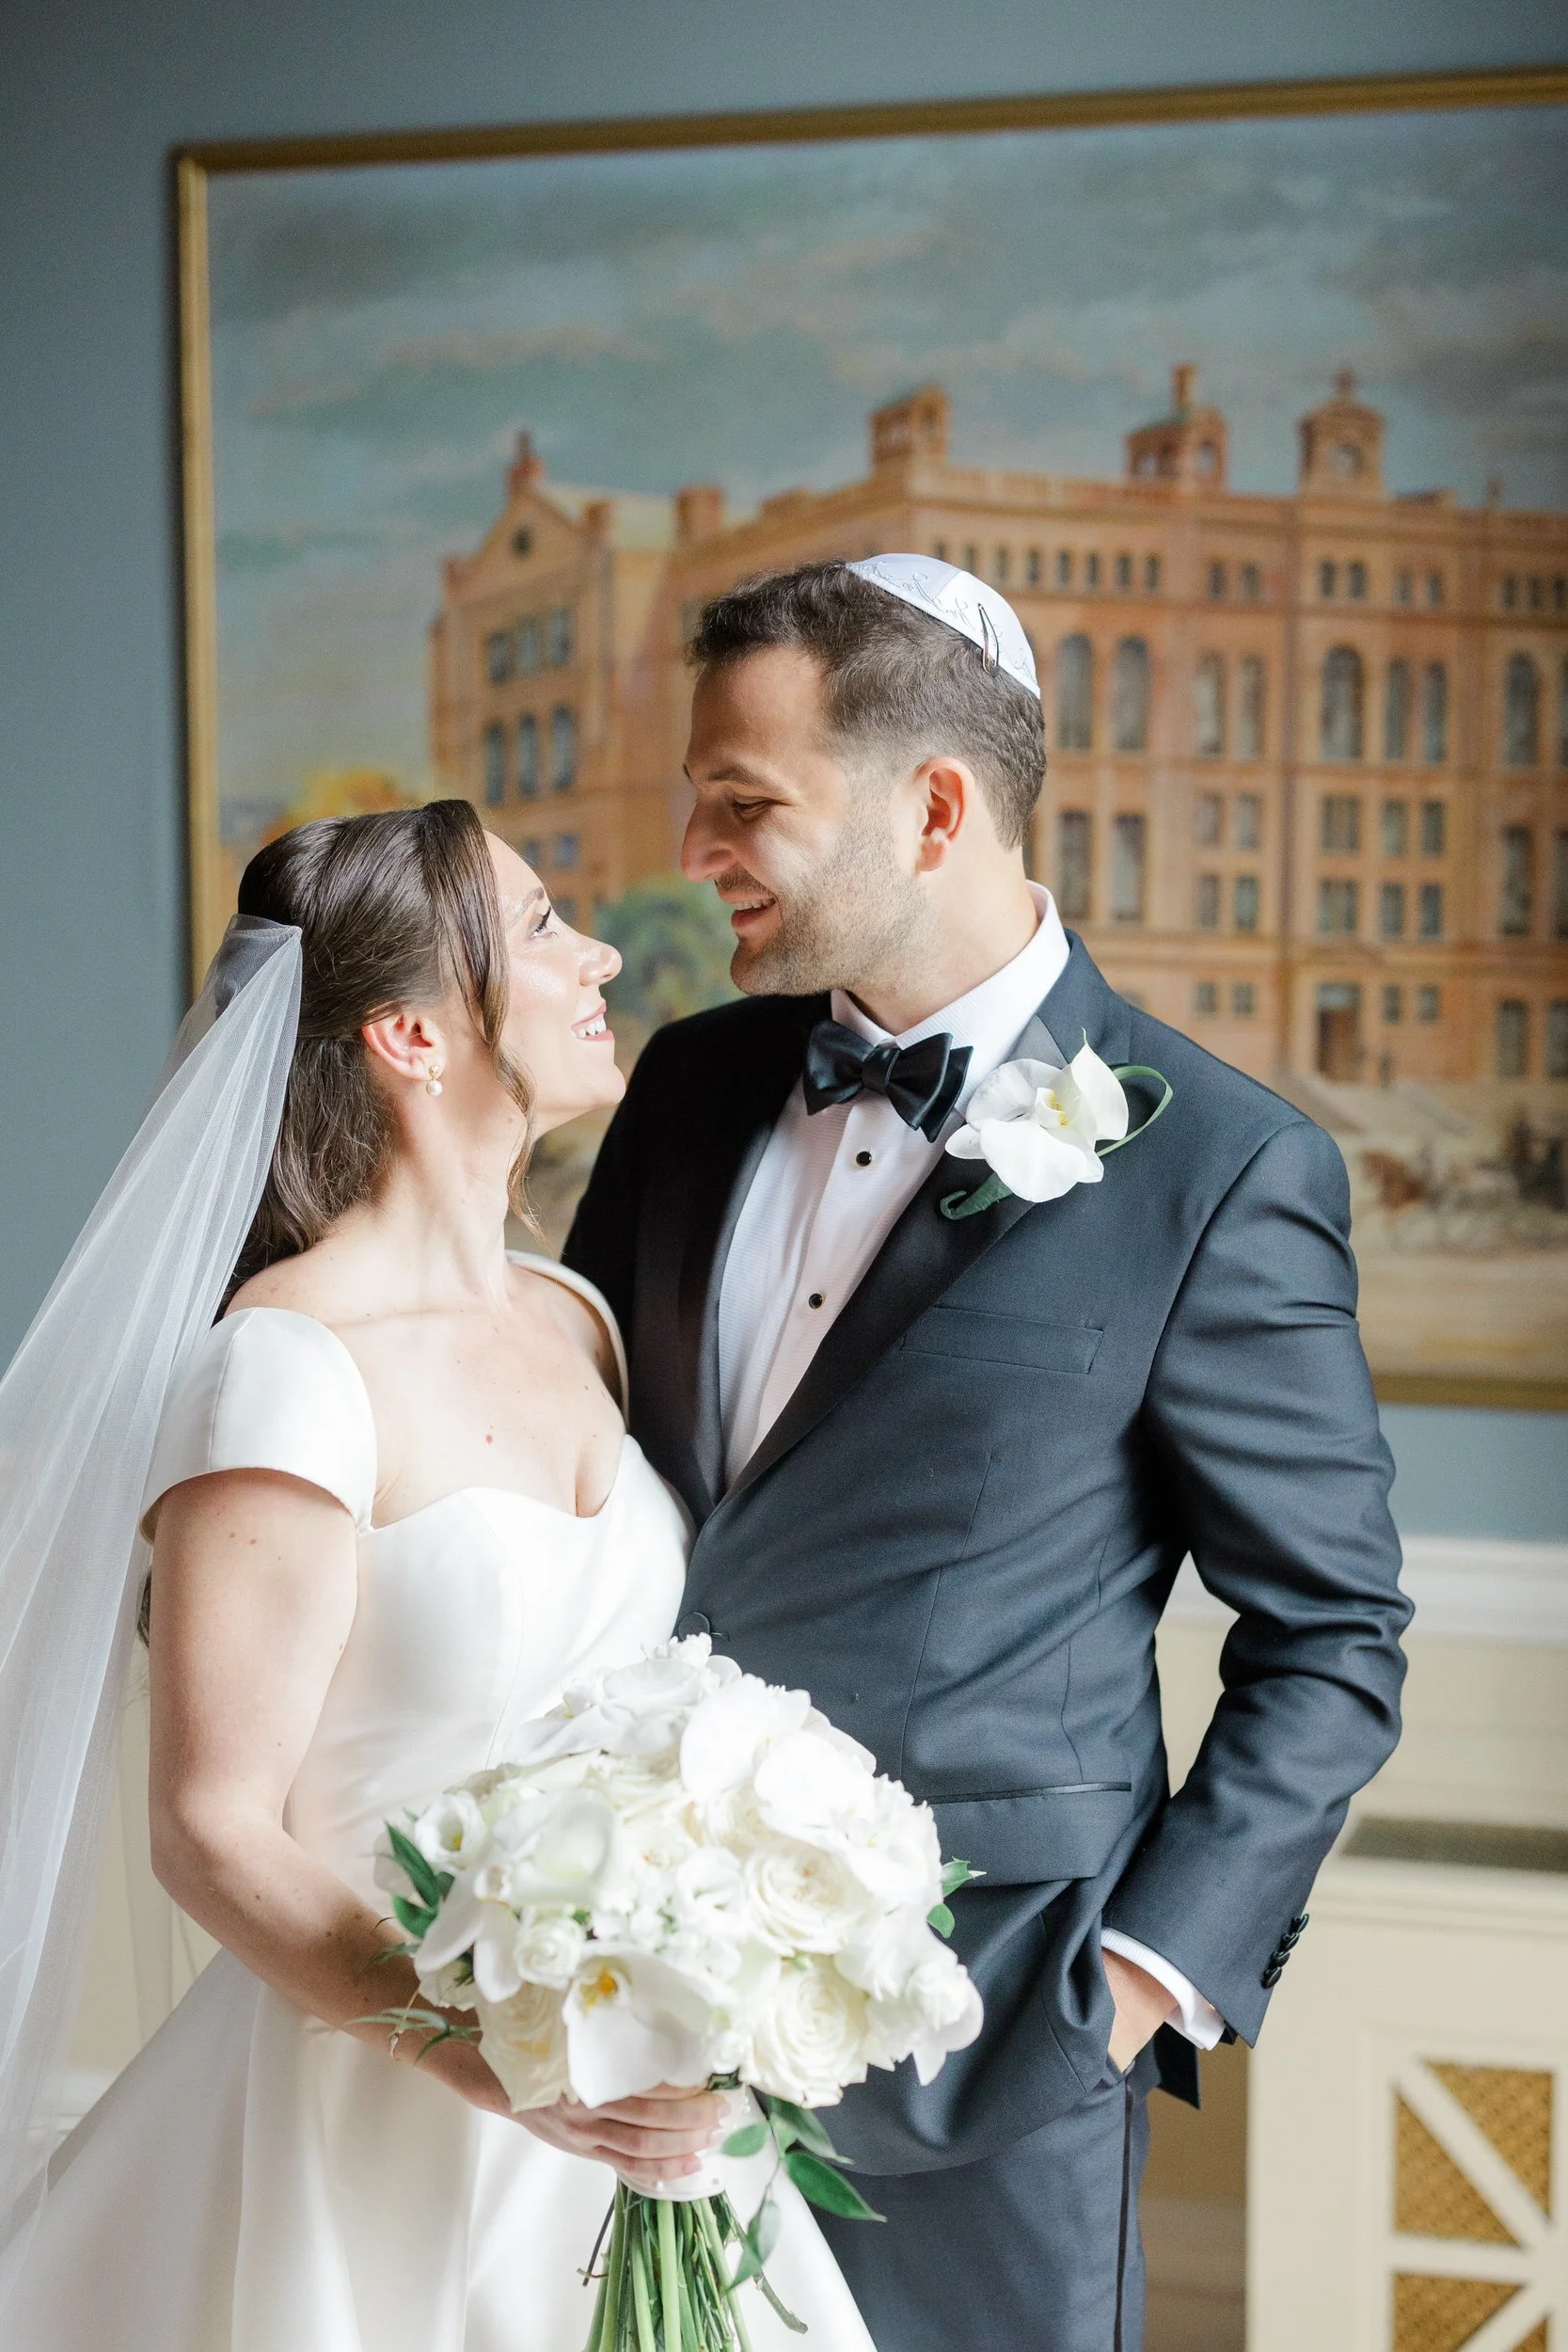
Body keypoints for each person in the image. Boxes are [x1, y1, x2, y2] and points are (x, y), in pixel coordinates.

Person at [565, 558, 1412, 2352]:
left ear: (931, 806)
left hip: (974, 2050)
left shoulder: (1220, 1172)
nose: (698, 851)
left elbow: (1330, 1638)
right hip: (614, 2032)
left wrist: (1122, 1987)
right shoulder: (690, 1083)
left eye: (744, 805)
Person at [0, 801, 874, 2351]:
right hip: (369, 2120)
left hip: (634, 2125)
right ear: (409, 1033)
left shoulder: (575, 1321)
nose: (598, 950)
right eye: (541, 928)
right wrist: (488, 2059)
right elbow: (208, 1827)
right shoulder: (282, 1369)